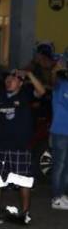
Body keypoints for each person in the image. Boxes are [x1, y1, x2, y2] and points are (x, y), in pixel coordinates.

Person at [0, 68, 46, 224]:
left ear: (20, 82)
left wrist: (30, 74)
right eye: (7, 79)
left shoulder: (25, 94)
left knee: (23, 181)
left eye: (12, 78)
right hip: (1, 146)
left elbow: (42, 91)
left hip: (20, 147)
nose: (8, 81)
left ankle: (24, 214)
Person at [48, 60, 68, 209]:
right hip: (60, 132)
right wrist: (55, 70)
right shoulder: (61, 85)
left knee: (65, 166)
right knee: (59, 166)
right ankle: (56, 197)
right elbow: (53, 80)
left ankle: (62, 195)